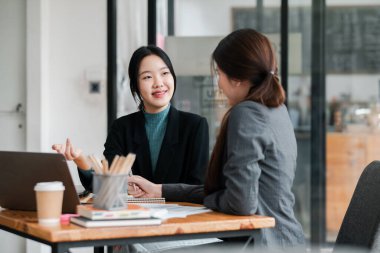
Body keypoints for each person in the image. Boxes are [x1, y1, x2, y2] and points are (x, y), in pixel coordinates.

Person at [128, 28, 305, 249]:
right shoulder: (276, 110)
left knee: (142, 248)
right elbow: (237, 194)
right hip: (285, 240)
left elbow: (240, 203)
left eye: (219, 74)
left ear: (237, 78)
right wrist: (160, 190)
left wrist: (212, 199)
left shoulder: (246, 114)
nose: (218, 84)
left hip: (260, 243)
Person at [52, 45, 209, 191]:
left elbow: (197, 188)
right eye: (147, 77)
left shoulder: (195, 126)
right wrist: (80, 160)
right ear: (135, 86)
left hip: (180, 218)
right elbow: (105, 184)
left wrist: (157, 192)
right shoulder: (122, 127)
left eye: (165, 73)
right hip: (136, 215)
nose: (158, 83)